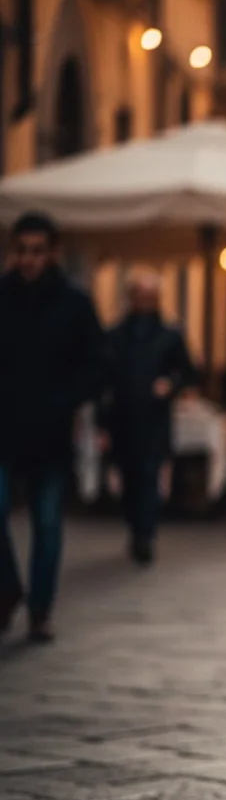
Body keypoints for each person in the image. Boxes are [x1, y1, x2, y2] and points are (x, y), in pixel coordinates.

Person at [0, 212, 108, 641]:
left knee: (47, 524)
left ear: (52, 253)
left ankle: (40, 609)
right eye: (22, 251)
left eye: (37, 251)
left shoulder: (74, 303)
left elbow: (97, 364)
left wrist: (66, 399)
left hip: (51, 432)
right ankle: (8, 587)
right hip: (4, 427)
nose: (28, 259)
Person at [101, 267, 195, 565]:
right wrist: (102, 422)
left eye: (151, 297)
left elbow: (187, 372)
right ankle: (136, 527)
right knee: (129, 477)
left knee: (148, 474)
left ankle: (145, 534)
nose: (145, 302)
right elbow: (103, 380)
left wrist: (170, 385)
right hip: (123, 417)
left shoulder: (169, 336)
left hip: (154, 418)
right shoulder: (115, 336)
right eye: (141, 296)